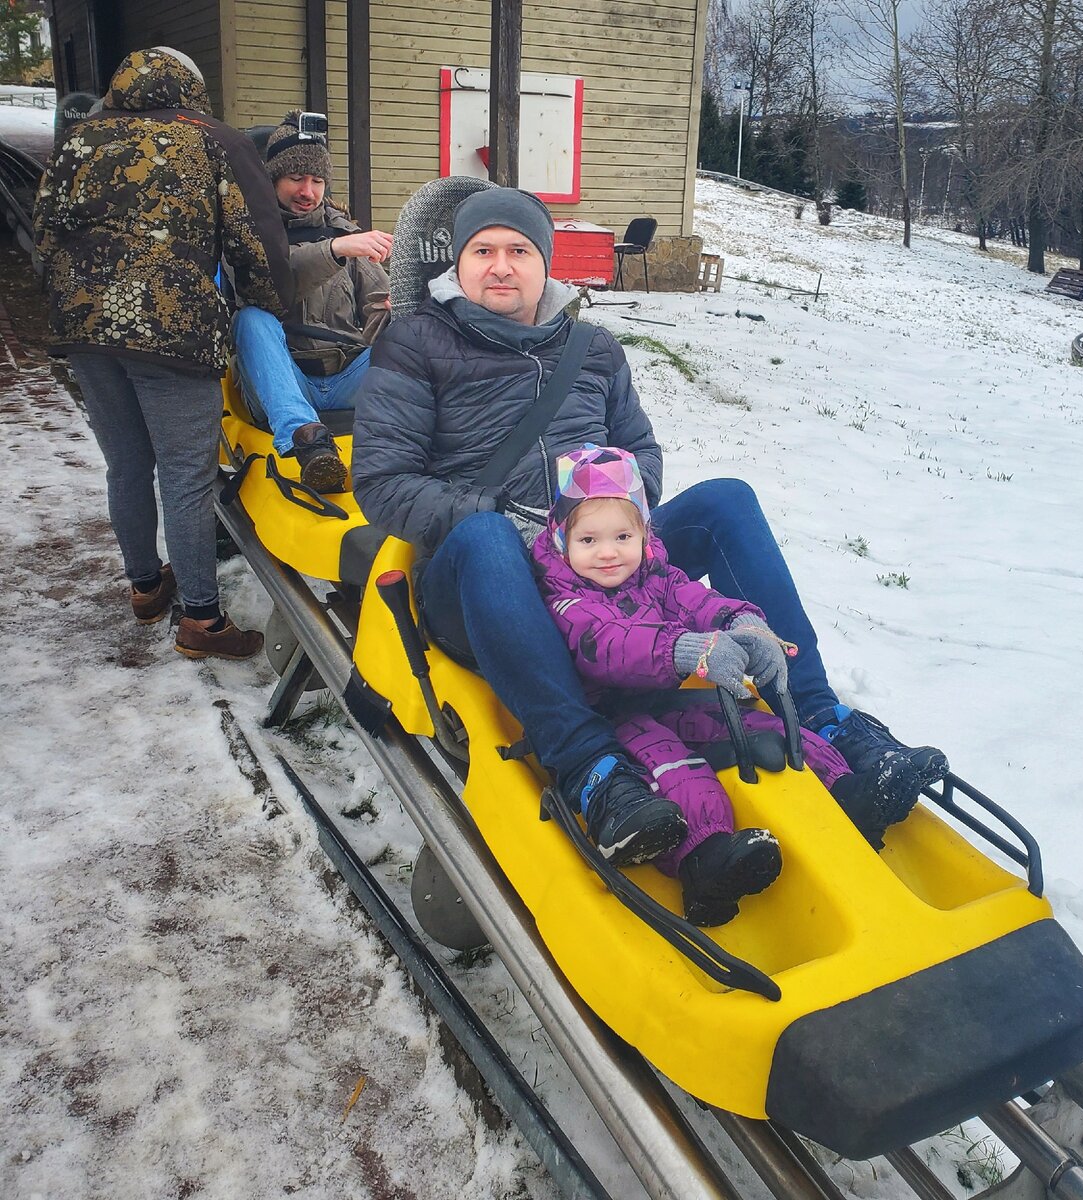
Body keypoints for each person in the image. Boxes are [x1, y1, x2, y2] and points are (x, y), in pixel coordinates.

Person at [352, 185, 948, 867]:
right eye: (482, 251)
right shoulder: (416, 344)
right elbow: (383, 482)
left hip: (601, 559)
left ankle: (817, 710)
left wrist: (614, 519)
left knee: (727, 498)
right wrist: (501, 520)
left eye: (519, 250)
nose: (500, 266)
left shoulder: (593, 348)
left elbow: (643, 453)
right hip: (488, 581)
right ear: (456, 265)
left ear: (545, 264)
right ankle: (590, 767)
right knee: (489, 541)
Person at [533, 444, 919, 925]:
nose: (608, 553)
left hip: (668, 697)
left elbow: (698, 600)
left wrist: (746, 624)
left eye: (622, 536)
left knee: (767, 729)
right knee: (675, 768)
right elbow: (609, 646)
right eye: (588, 540)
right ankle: (707, 861)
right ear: (561, 542)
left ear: (644, 536)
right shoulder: (568, 599)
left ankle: (849, 794)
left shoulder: (655, 574)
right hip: (617, 714)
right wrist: (685, 649)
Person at [34, 47, 293, 660]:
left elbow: (46, 230)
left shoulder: (79, 139)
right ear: (191, 88)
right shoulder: (210, 139)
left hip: (86, 327)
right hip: (170, 330)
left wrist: (75, 298)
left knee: (125, 460)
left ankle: (146, 588)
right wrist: (267, 310)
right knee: (185, 474)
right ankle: (201, 621)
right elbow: (254, 237)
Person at [232, 112, 393, 494]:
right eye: (296, 179)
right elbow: (269, 283)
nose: (308, 191)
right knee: (252, 318)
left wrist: (396, 309)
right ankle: (308, 441)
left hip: (347, 376)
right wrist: (335, 250)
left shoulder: (344, 233)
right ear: (272, 179)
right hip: (286, 381)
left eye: (317, 181)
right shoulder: (246, 233)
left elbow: (376, 303)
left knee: (409, 324)